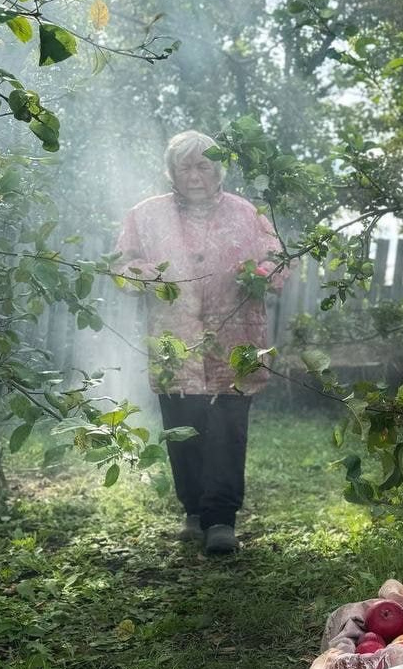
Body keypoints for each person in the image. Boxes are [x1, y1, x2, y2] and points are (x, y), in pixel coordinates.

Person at [114, 130, 284, 553]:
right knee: (183, 428)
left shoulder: (248, 213)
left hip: (235, 344)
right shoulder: (144, 215)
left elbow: (277, 261)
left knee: (228, 429)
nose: (195, 174)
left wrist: (262, 275)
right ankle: (194, 510)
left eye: (204, 164)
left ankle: (221, 520)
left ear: (218, 169)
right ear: (171, 171)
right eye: (185, 166)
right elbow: (121, 268)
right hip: (177, 346)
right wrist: (146, 274)